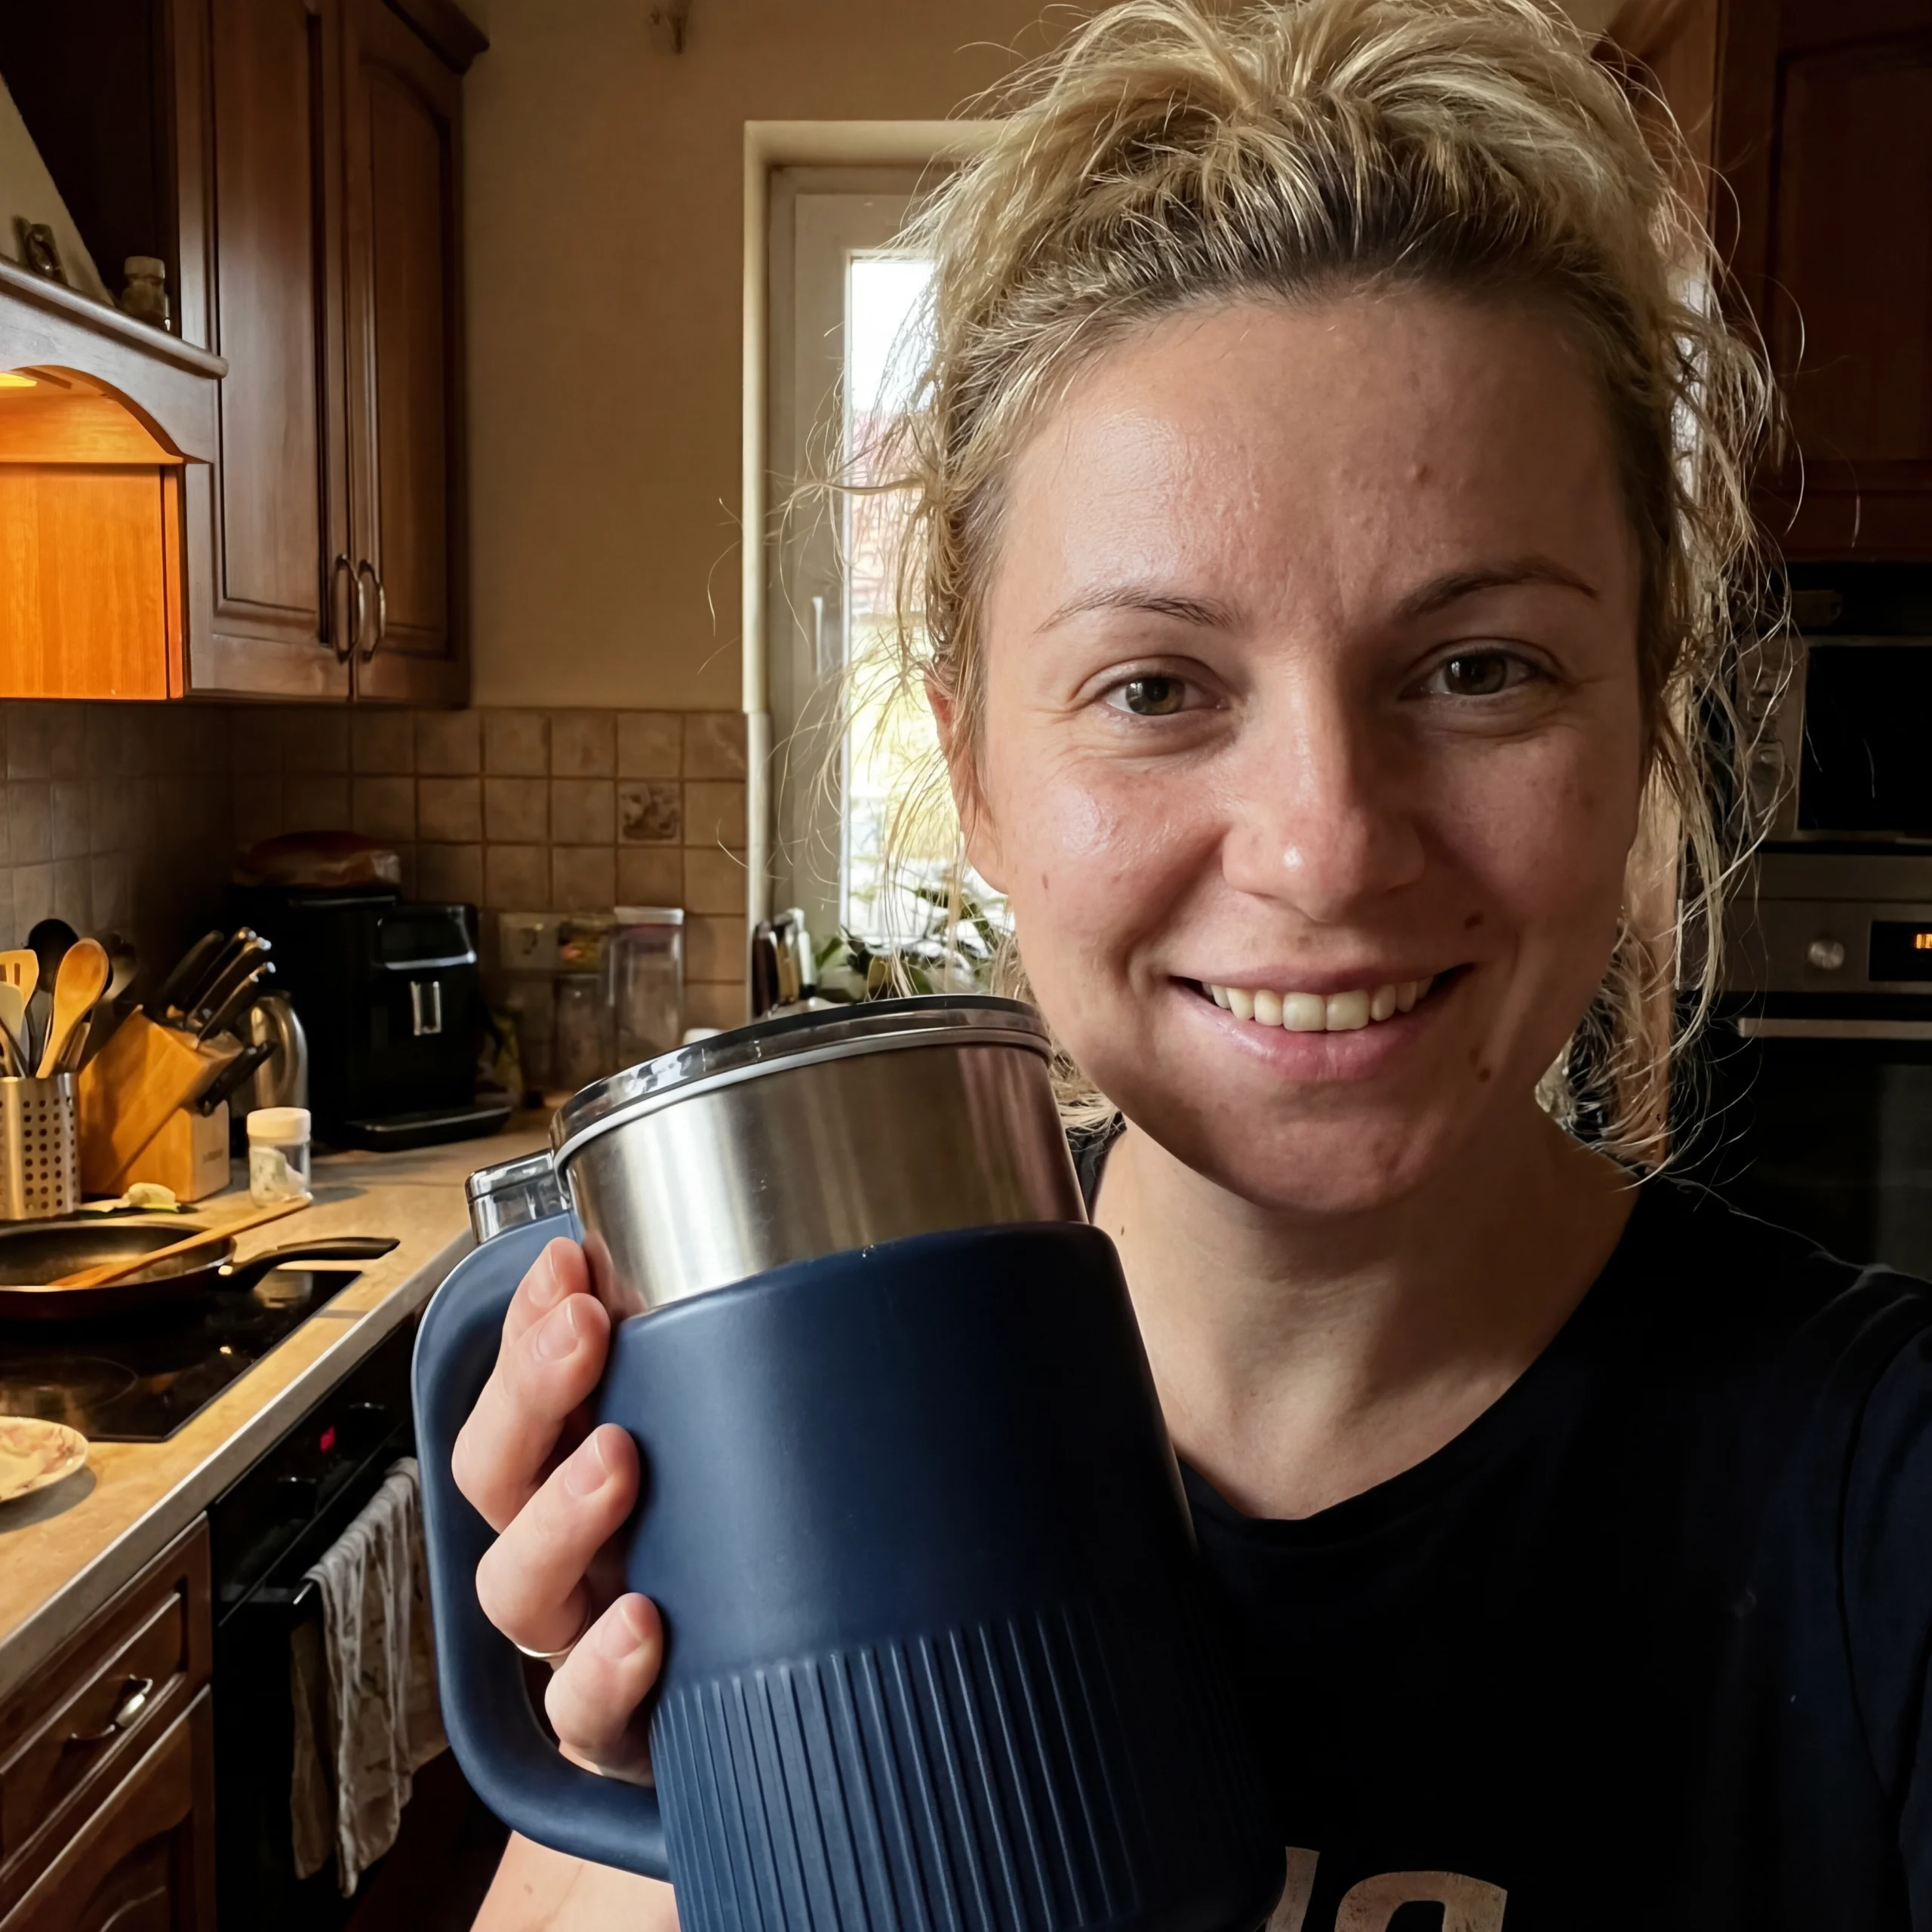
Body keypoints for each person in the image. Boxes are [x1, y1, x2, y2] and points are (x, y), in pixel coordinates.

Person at [455, 2, 1932, 1927]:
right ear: (973, 774)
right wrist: (715, 1809)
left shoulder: (1883, 1503)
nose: (1323, 846)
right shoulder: (798, 1422)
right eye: (1154, 687)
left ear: (1643, 710)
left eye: (1476, 667)